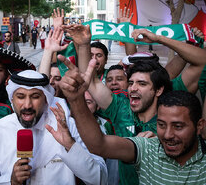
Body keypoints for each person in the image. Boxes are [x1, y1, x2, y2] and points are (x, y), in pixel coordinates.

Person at [61, 61, 206, 184]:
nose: (167, 134)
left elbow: (200, 61)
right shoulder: (146, 146)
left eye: (178, 126)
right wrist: (76, 100)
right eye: (161, 125)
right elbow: (99, 145)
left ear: (200, 126)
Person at [0, 70, 108, 185]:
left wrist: (70, 145)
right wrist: (10, 181)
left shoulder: (68, 126)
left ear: (46, 99)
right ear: (12, 99)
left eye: (35, 97)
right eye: (21, 97)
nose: (27, 105)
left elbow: (100, 179)